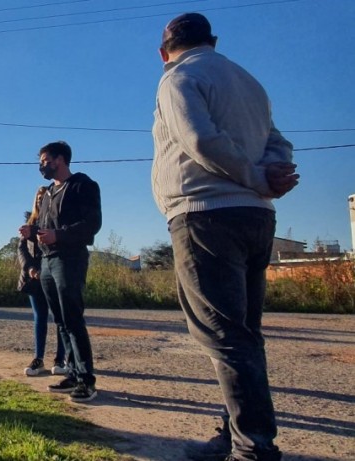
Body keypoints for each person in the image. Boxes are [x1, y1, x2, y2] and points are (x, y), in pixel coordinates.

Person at [152, 13, 297, 461]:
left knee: (225, 337)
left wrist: (253, 174)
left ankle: (253, 449)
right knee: (243, 334)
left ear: (164, 52)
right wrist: (269, 174)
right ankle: (237, 436)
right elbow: (278, 141)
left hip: (205, 215)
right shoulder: (249, 82)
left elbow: (198, 139)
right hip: (257, 218)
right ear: (212, 40)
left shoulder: (178, 77)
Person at [19, 141, 102, 402]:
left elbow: (92, 224)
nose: (41, 165)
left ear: (61, 160)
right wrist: (31, 232)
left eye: (45, 160)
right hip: (47, 263)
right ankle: (73, 374)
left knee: (73, 318)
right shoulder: (48, 194)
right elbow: (45, 226)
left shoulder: (83, 185)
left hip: (70, 259)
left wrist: (59, 235)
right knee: (61, 321)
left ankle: (87, 381)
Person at [18, 186, 68, 377]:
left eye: (44, 198)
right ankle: (38, 359)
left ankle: (60, 359)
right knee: (40, 317)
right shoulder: (29, 224)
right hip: (34, 278)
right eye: (38, 198)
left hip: (54, 274)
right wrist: (30, 268)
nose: (41, 201)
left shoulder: (55, 222)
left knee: (60, 318)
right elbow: (21, 249)